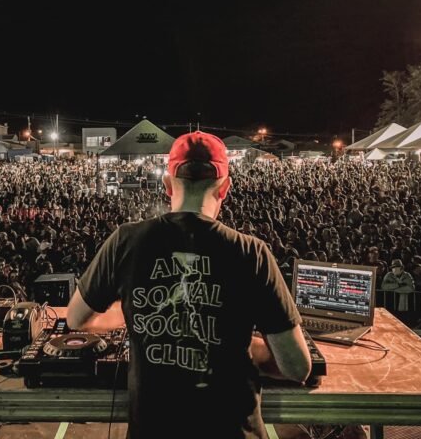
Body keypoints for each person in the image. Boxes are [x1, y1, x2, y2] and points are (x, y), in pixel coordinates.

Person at [67, 131, 311, 439]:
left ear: (167, 185)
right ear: (225, 188)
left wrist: (139, 316)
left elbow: (76, 318)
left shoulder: (126, 241)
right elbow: (297, 367)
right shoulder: (252, 253)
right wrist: (239, 344)